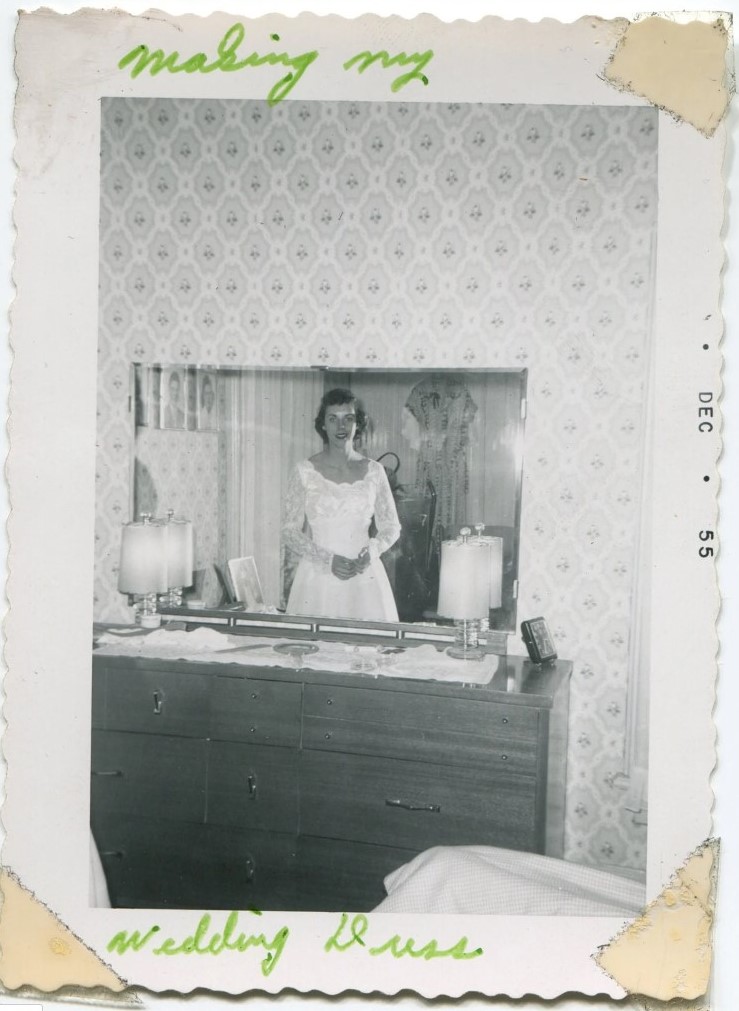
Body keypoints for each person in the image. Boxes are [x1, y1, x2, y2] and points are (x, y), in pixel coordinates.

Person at [283, 388, 401, 620]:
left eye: (348, 418)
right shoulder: (304, 471)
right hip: (318, 577)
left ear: (358, 424)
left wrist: (373, 550)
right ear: (323, 425)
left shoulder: (375, 471)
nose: (341, 427)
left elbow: (391, 527)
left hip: (364, 574)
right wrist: (328, 560)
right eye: (333, 419)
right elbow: (289, 532)